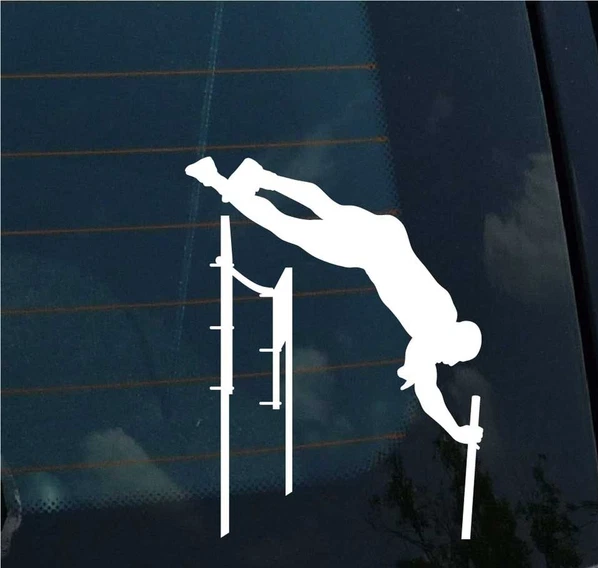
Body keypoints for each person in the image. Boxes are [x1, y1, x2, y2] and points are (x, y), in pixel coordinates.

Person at [185, 156, 483, 447]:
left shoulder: (442, 314)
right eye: (455, 356)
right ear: (454, 339)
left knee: (325, 207)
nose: (450, 362)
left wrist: (447, 416)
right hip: (369, 249)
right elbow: (428, 389)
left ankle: (259, 176)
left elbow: (424, 371)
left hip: (388, 235)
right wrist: (455, 429)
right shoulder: (434, 325)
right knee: (289, 228)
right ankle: (219, 180)